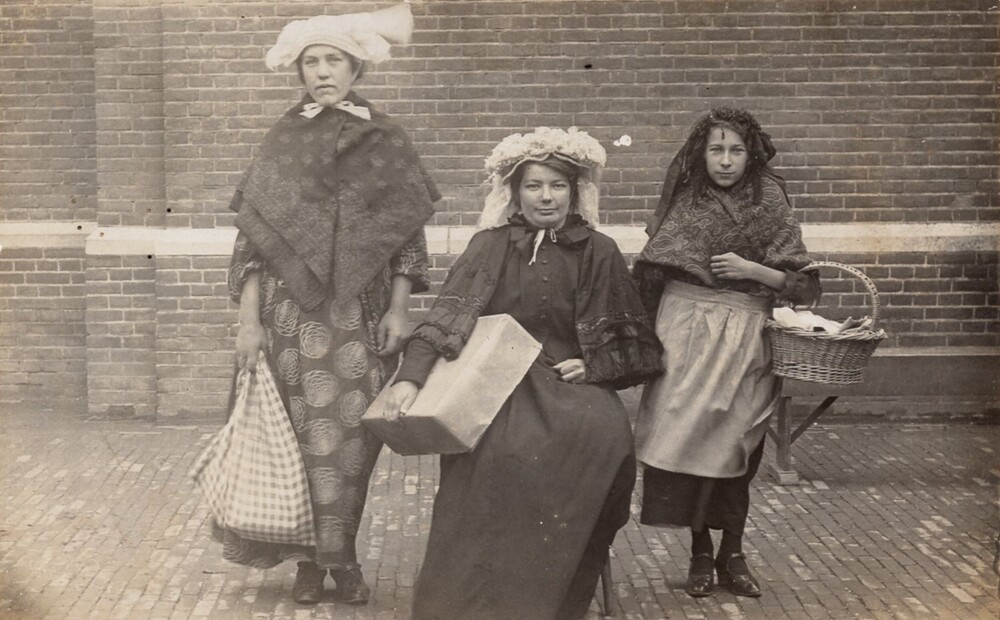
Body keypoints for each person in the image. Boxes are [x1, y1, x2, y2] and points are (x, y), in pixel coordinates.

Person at [381, 127, 663, 620]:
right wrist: (410, 378)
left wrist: (595, 364)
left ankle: (555, 593)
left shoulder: (598, 250)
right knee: (496, 456)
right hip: (497, 383)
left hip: (573, 384)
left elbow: (634, 343)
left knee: (606, 438)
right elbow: (447, 316)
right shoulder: (490, 246)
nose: (546, 197)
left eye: (557, 185)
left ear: (575, 191)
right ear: (515, 192)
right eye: (534, 185)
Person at [222, 4, 440, 606]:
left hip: (358, 316)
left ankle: (341, 558)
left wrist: (399, 310)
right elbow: (253, 242)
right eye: (311, 61)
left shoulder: (387, 138)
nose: (322, 72)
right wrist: (248, 323)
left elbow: (406, 237)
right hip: (288, 319)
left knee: (349, 442)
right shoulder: (283, 139)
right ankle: (308, 566)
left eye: (334, 60)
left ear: (356, 67)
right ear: (298, 70)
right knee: (298, 439)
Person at [632, 108, 821, 599]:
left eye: (736, 150)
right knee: (689, 443)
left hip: (746, 336)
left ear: (751, 153)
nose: (725, 160)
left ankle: (732, 554)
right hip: (685, 333)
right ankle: (700, 552)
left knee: (739, 447)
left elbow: (805, 287)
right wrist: (639, 341)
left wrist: (753, 270)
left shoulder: (770, 199)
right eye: (716, 149)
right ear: (702, 152)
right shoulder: (687, 198)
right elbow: (652, 270)